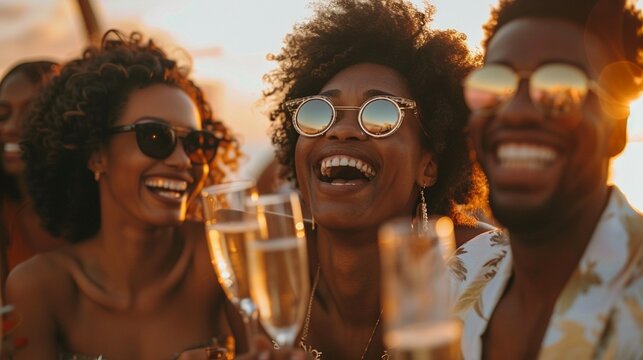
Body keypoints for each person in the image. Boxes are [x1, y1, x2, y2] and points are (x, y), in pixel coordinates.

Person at [259, 0, 490, 358]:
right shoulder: (261, 270)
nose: (342, 131)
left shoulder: (489, 277)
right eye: (320, 112)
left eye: (381, 115)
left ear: (428, 166)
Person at [4, 30, 242, 359]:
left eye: (195, 144)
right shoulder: (41, 286)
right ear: (96, 154)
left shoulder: (224, 255)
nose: (182, 160)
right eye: (155, 136)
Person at [452, 0, 643, 358]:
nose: (517, 111)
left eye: (561, 89)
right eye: (496, 85)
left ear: (616, 129)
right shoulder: (461, 274)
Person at [0, 60, 67, 296]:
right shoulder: (5, 213)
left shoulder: (101, 213)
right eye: (3, 114)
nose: (10, 127)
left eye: (30, 113)